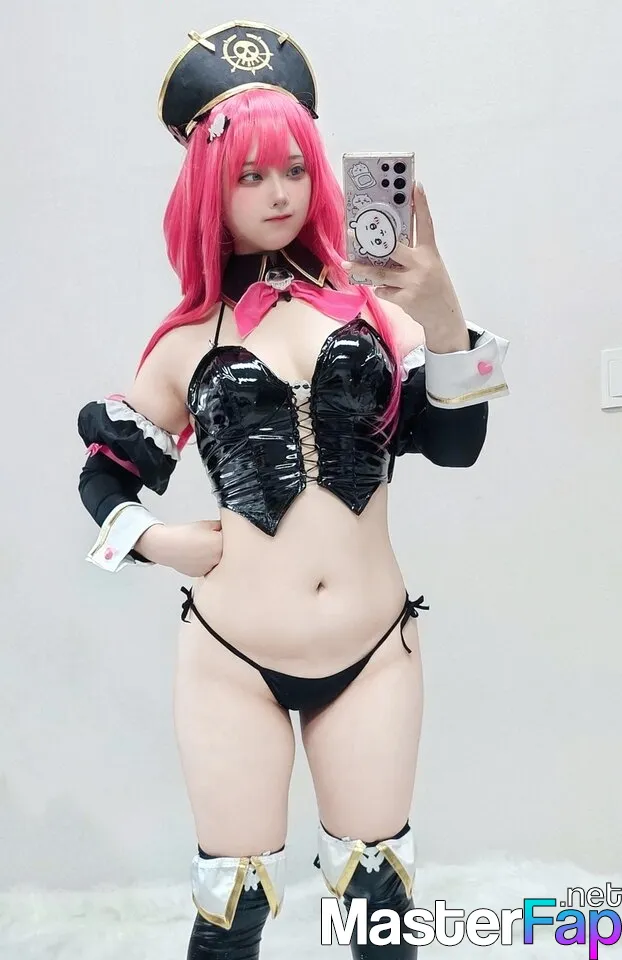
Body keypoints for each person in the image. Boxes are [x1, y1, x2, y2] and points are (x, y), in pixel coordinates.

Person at [77, 19, 510, 960]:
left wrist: (442, 314)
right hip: (231, 657)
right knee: (232, 908)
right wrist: (158, 541)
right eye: (249, 175)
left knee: (379, 903)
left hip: (373, 648)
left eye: (295, 169)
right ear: (209, 188)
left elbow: (457, 447)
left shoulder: (379, 311)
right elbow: (104, 478)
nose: (278, 194)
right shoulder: (184, 341)